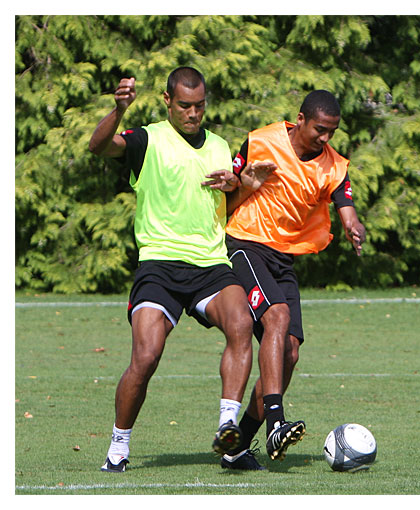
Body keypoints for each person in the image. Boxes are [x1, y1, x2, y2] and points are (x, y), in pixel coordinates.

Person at [88, 67, 267, 473]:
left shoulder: (220, 146)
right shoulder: (146, 139)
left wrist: (240, 186)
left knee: (241, 323)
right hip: (160, 264)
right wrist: (119, 110)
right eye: (185, 105)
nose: (193, 113)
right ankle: (118, 445)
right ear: (168, 101)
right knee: (146, 356)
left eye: (199, 105)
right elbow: (98, 146)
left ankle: (228, 432)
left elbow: (226, 207)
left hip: (211, 264)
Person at [217, 90, 366, 470]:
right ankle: (276, 423)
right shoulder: (261, 141)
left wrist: (353, 226)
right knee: (277, 316)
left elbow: (346, 207)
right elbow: (228, 195)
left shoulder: (334, 166)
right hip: (245, 243)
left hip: (284, 258)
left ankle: (236, 448)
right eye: (319, 129)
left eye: (332, 132)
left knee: (290, 353)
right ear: (300, 119)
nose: (325, 138)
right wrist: (239, 183)